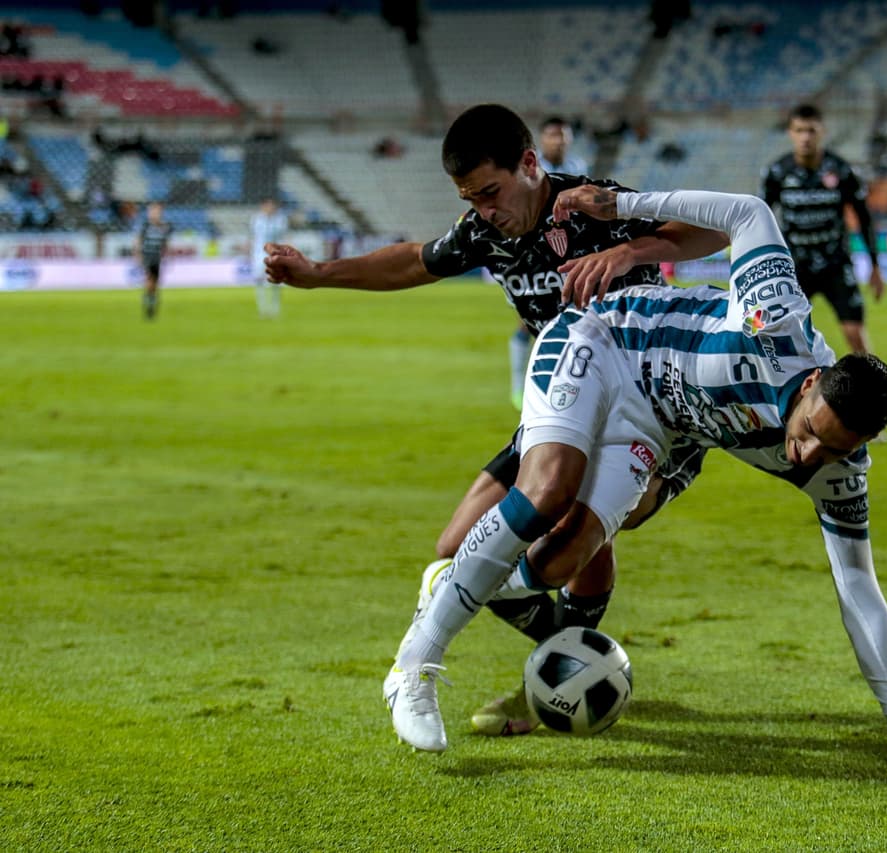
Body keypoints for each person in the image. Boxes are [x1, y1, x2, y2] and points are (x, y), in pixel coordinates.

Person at [387, 183, 887, 781]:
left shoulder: (838, 469)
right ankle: (414, 668)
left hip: (654, 426)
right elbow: (749, 212)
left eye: (834, 449)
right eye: (812, 429)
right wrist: (624, 214)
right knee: (547, 489)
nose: (807, 453)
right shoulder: (777, 320)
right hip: (604, 338)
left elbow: (859, 589)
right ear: (814, 381)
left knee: (561, 561)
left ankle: (459, 584)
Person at [264, 103, 727, 735]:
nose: (484, 209)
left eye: (491, 191)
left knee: (578, 531)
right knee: (454, 550)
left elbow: (713, 233)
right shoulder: (485, 232)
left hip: (649, 407)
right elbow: (412, 262)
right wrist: (318, 275)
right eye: (470, 198)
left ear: (530, 164)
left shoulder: (590, 204)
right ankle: (565, 657)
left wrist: (628, 252)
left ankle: (552, 673)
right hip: (561, 402)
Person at [762, 104, 885, 357]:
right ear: (790, 133)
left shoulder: (841, 171)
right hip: (794, 266)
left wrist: (875, 265)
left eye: (811, 130)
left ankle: (872, 392)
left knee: (854, 333)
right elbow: (760, 217)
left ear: (822, 132)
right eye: (799, 130)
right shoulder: (778, 172)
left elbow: (864, 218)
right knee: (772, 331)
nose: (805, 137)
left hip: (835, 263)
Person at [503, 117, 593, 410]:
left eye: (563, 135)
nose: (558, 141)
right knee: (528, 321)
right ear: (541, 140)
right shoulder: (529, 169)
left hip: (569, 253)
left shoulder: (578, 167)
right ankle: (520, 386)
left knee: (574, 317)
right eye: (553, 135)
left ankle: (569, 383)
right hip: (533, 253)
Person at [249, 198, 289, 318]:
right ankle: (262, 309)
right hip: (259, 253)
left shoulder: (281, 219)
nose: (270, 208)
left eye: (272, 206)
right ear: (263, 206)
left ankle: (275, 309)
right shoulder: (256, 219)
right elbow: (253, 236)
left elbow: (284, 236)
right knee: (259, 280)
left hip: (275, 253)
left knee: (276, 281)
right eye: (267, 206)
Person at [134, 202, 172, 320]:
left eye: (156, 211)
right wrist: (138, 255)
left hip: (157, 257)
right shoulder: (145, 226)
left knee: (155, 284)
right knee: (149, 280)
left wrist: (167, 254)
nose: (154, 213)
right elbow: (138, 241)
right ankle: (149, 306)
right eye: (152, 211)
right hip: (147, 256)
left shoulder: (164, 227)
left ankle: (151, 303)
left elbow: (165, 243)